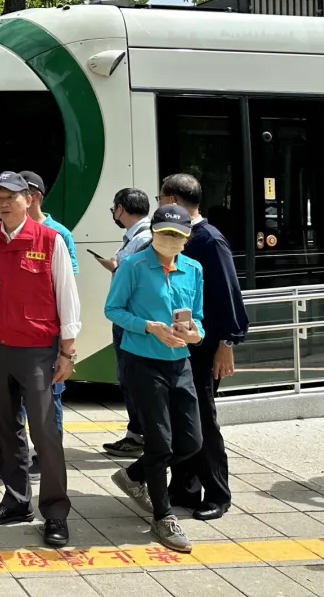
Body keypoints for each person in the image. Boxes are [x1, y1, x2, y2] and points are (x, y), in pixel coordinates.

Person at [0, 171, 80, 548]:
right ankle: (16, 501)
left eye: (11, 196)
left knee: (45, 433)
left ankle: (55, 513)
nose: (3, 202)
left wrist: (68, 351)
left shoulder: (51, 240)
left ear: (29, 198)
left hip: (38, 351)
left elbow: (67, 297)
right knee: (5, 428)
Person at [105, 204, 205, 553]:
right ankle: (163, 516)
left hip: (181, 363)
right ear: (153, 233)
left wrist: (196, 335)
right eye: (164, 233)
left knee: (191, 442)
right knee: (160, 443)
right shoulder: (133, 266)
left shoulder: (193, 269)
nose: (170, 240)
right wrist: (150, 327)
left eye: (178, 236)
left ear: (187, 238)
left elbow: (200, 319)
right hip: (143, 362)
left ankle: (133, 475)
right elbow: (113, 310)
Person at [158, 174, 248, 519]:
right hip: (178, 345)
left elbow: (228, 296)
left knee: (202, 421)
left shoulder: (208, 240)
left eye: (162, 198)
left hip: (203, 346)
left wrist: (227, 343)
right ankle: (185, 487)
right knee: (181, 419)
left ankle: (218, 493)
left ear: (174, 201)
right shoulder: (176, 237)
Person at [20, 170, 77, 479]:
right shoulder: (4, 231)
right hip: (17, 335)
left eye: (17, 194)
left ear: (34, 197)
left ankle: (48, 455)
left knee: (50, 396)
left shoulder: (59, 234)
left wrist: (66, 341)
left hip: (48, 334)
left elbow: (68, 287)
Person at [101, 188, 154, 458]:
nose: (114, 213)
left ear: (121, 208)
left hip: (131, 320)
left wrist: (115, 267)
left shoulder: (144, 238)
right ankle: (137, 434)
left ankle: (141, 437)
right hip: (128, 319)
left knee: (132, 379)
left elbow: (135, 276)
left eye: (114, 208)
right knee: (127, 379)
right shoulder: (134, 237)